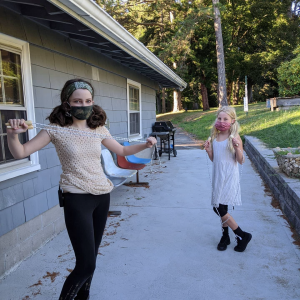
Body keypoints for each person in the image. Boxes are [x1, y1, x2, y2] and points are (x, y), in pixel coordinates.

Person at [7, 79, 157, 300]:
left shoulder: (98, 129)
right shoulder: (55, 129)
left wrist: (145, 144)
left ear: (92, 102)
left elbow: (123, 150)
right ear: (67, 103)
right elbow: (21, 152)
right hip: (77, 200)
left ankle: (83, 297)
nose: (83, 105)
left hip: (102, 197)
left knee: (92, 260)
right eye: (77, 101)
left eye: (87, 100)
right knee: (85, 264)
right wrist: (13, 135)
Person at [204, 106, 252, 252]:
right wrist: (209, 151)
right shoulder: (215, 137)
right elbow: (215, 160)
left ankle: (242, 234)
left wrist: (237, 148)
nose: (222, 121)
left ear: (232, 121)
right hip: (218, 176)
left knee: (218, 207)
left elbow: (241, 160)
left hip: (229, 177)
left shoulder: (234, 138)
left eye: (225, 119)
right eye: (219, 118)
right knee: (221, 207)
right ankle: (225, 237)